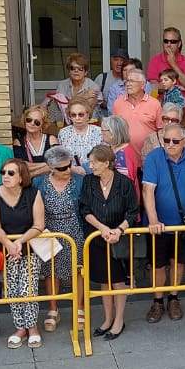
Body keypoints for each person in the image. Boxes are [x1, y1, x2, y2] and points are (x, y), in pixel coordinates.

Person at [142, 124, 185, 323]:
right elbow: (148, 190)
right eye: (166, 141)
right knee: (158, 265)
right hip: (160, 223)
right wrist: (153, 220)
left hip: (183, 223)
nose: (170, 145)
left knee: (178, 262)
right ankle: (157, 301)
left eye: (175, 141)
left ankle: (173, 297)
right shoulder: (155, 157)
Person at [79, 145, 138, 342]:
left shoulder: (124, 183)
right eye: (90, 161)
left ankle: (119, 320)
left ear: (107, 163)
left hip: (118, 239)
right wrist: (102, 228)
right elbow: (84, 209)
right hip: (97, 237)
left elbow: (133, 211)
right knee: (105, 280)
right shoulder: (88, 181)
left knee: (119, 281)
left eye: (94, 161)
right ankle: (107, 319)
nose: (91, 165)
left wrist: (119, 230)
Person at [0, 159, 46, 348]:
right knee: (12, 289)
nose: (5, 176)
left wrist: (20, 241)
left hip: (30, 248)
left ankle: (32, 327)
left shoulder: (32, 193)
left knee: (28, 289)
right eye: (3, 172)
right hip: (8, 251)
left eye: (11, 173)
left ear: (22, 177)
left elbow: (39, 224)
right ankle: (20, 327)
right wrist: (9, 244)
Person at [36, 147, 85, 331]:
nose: (68, 170)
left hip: (75, 229)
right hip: (49, 231)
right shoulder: (39, 183)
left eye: (69, 165)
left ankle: (79, 307)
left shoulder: (79, 181)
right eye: (62, 168)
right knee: (51, 271)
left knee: (78, 269)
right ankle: (53, 309)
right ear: (51, 168)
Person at [47, 53, 102, 125]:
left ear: (85, 72)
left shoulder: (93, 86)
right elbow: (60, 105)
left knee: (90, 100)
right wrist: (84, 96)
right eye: (73, 68)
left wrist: (69, 102)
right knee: (53, 103)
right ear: (69, 71)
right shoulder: (62, 85)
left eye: (80, 69)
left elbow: (89, 107)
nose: (76, 71)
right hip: (65, 120)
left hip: (88, 121)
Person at [114, 70, 161, 150]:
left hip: (148, 153)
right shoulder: (118, 103)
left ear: (142, 85)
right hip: (125, 155)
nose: (128, 84)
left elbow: (161, 130)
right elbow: (115, 129)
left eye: (132, 81)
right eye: (127, 81)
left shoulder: (154, 104)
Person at [13, 104, 59, 179]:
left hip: (50, 185)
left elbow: (58, 164)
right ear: (24, 121)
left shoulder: (51, 139)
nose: (32, 123)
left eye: (37, 122)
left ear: (43, 124)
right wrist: (48, 165)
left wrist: (32, 173)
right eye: (29, 120)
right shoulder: (18, 142)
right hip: (29, 188)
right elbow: (22, 167)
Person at [59, 99, 105, 168]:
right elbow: (60, 158)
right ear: (70, 117)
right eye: (73, 115)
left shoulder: (99, 132)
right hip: (71, 173)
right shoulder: (63, 133)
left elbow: (105, 157)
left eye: (81, 114)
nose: (77, 118)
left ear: (88, 115)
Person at [148, 26, 185, 91]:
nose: (168, 44)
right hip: (162, 101)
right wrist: (178, 87)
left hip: (182, 101)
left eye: (172, 41)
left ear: (179, 44)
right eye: (166, 41)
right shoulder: (155, 61)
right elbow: (153, 87)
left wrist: (173, 64)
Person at [102, 114, 140, 183]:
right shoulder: (112, 148)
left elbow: (124, 183)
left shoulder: (124, 154)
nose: (101, 133)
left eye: (103, 130)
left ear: (112, 133)